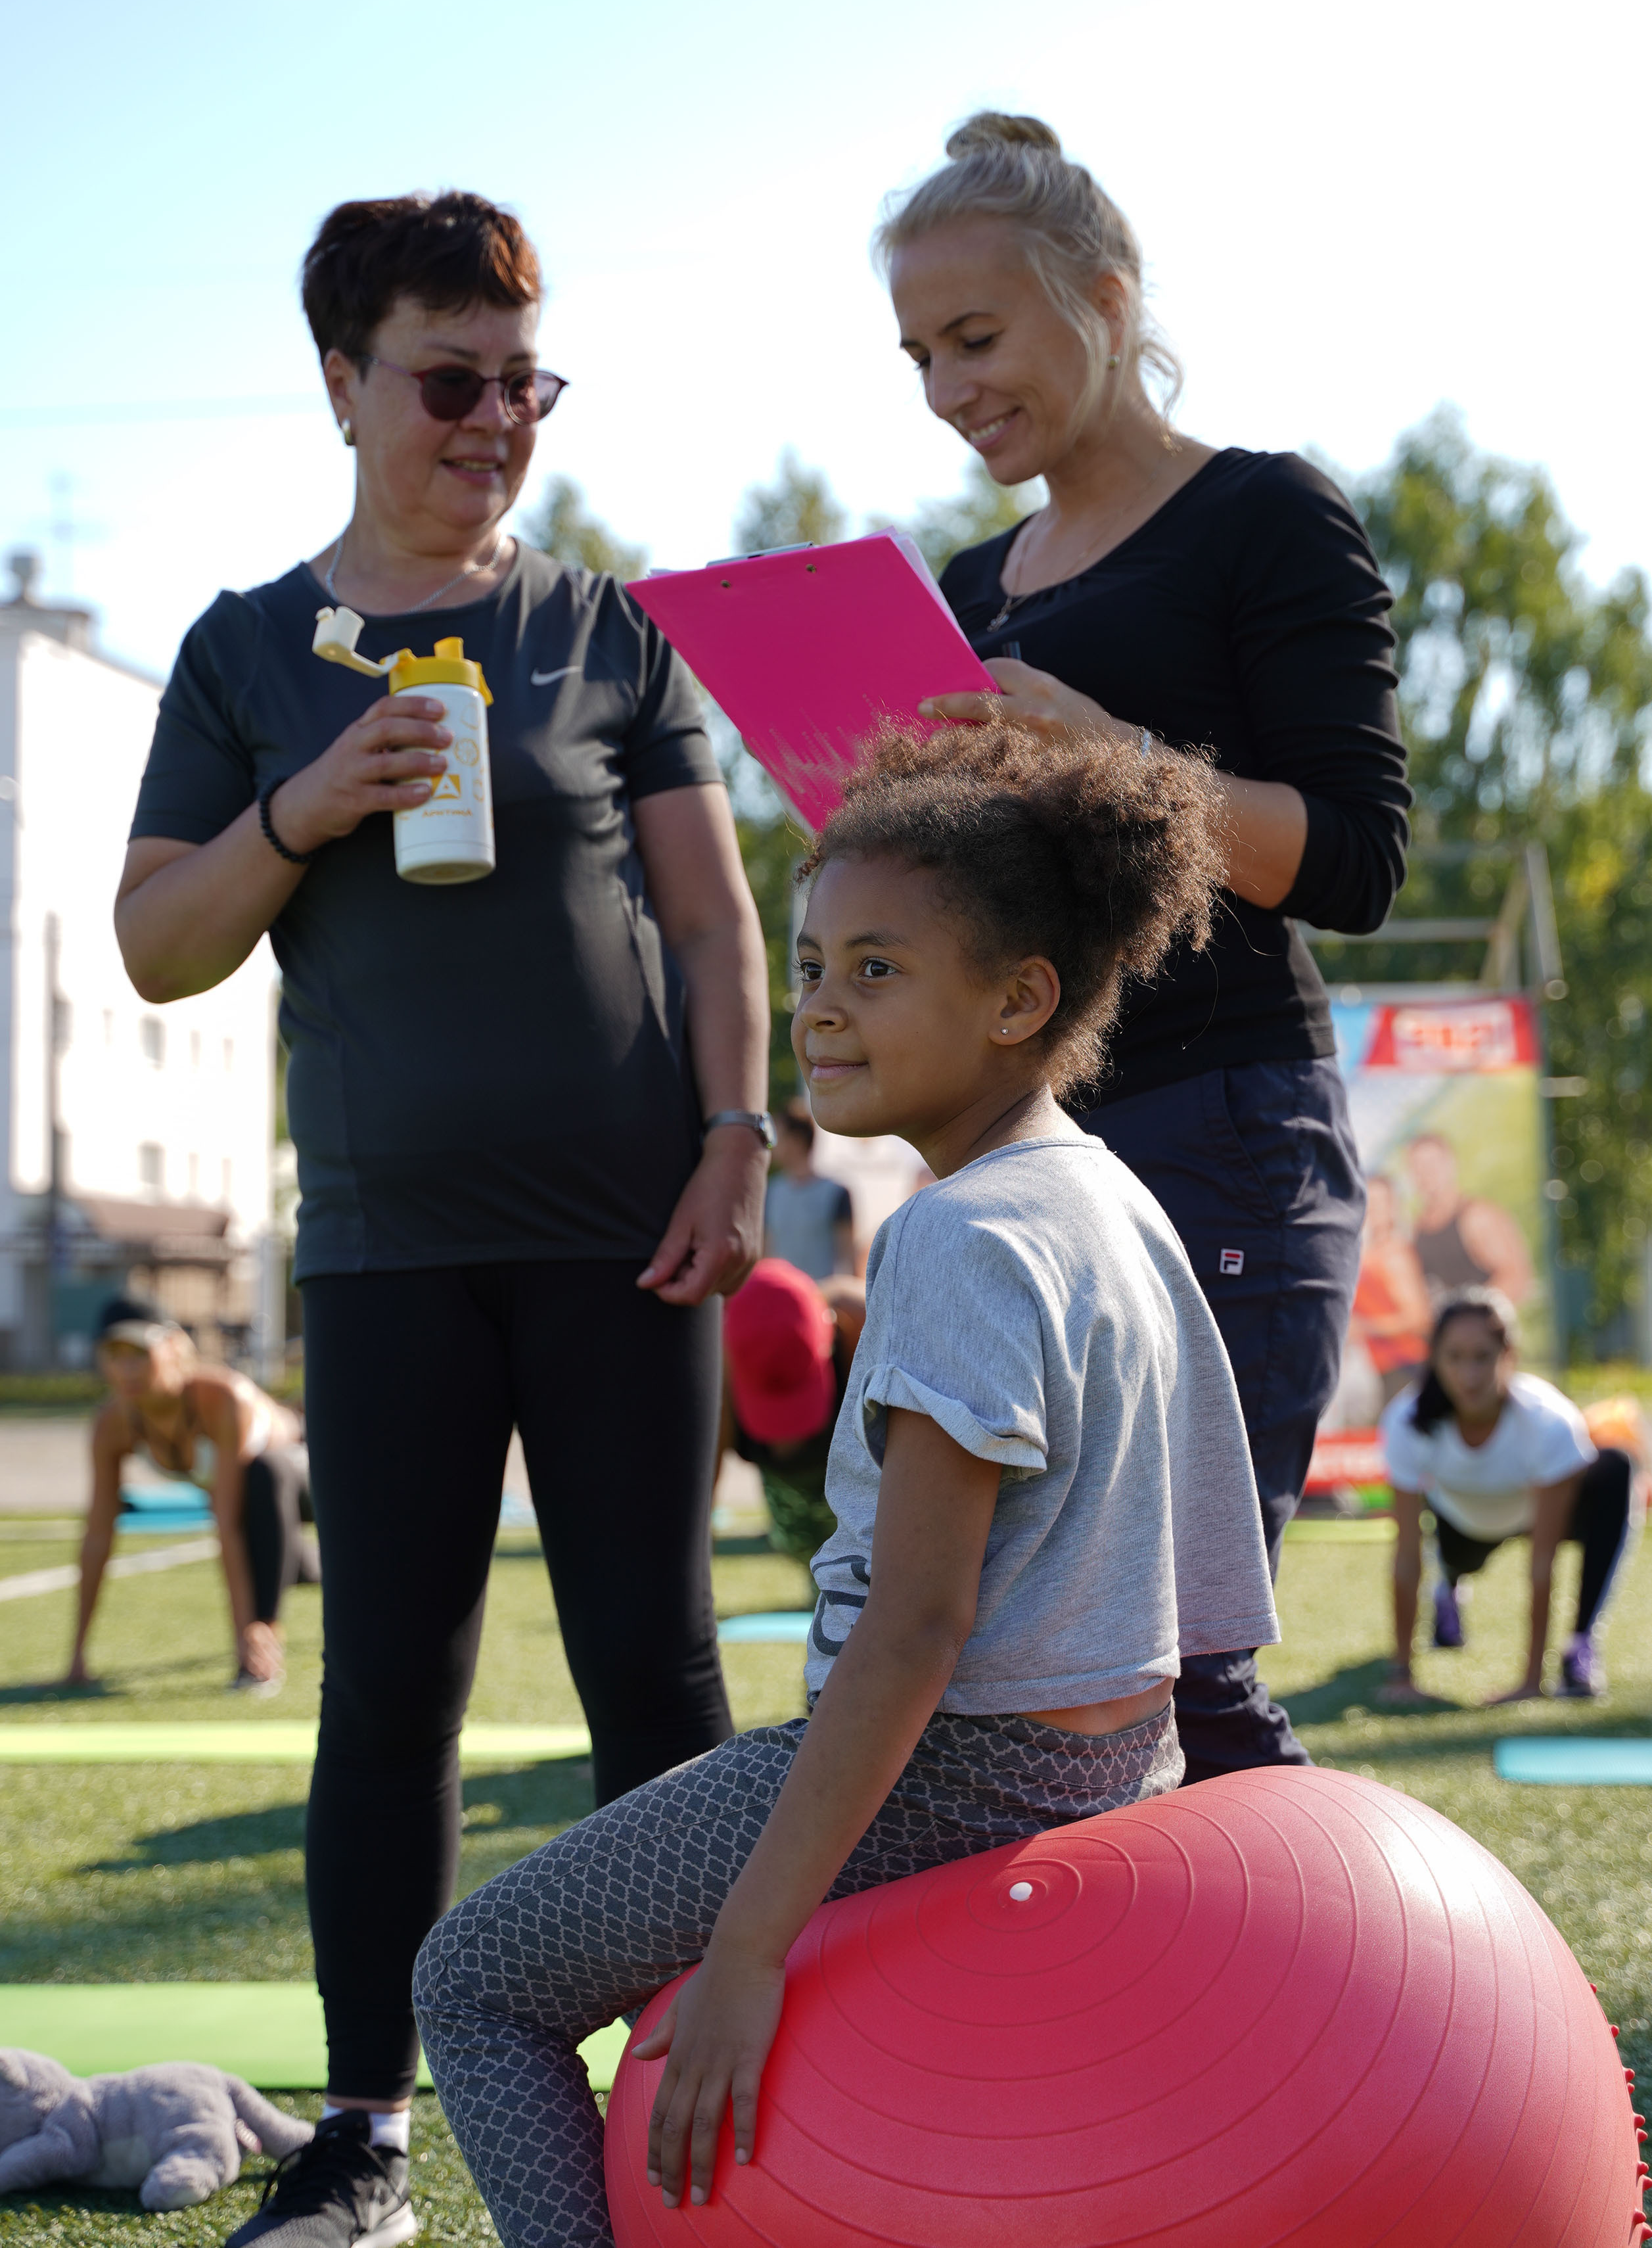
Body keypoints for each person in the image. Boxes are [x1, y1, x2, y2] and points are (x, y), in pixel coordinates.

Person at [112, 191, 771, 2248]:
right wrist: (301, 813)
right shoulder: (243, 651)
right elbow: (150, 946)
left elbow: (709, 911)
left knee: (655, 1678)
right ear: (341, 382)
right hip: (387, 1251)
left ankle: (712, 2110)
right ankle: (370, 2140)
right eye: (450, 380)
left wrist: (740, 1131)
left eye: (525, 380)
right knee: (384, 1686)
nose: (497, 419)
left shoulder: (608, 629)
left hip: (627, 1241)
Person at [413, 719, 1279, 2248]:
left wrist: (751, 1947)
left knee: (473, 1980)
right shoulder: (1110, 1193)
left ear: (1021, 997)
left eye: (875, 968)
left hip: (956, 1772)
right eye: (810, 965)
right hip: (1117, 1758)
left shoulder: (958, 1232)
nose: (818, 1008)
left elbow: (917, 1626)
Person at [880, 112, 1411, 1779]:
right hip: (1018, 1161)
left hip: (1227, 1126)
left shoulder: (1266, 516)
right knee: (1015, 1672)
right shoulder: (971, 584)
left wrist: (1110, 756)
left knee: (1181, 1672)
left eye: (977, 336)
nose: (948, 386)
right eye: (917, 354)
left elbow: (1356, 857)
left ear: (1104, 298)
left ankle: (1331, 2029)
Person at [1379, 1287, 1633, 1704]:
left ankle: (1579, 1646)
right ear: (1435, 1359)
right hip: (1459, 1525)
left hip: (1530, 1516)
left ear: (1508, 1355)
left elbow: (1541, 1563)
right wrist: (1402, 1676)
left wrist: (1531, 1682)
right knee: (1455, 1562)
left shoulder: (1549, 1421)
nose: (1469, 1376)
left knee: (1616, 1468)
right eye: (1455, 1358)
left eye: (1483, 1357)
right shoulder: (1407, 1423)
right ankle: (1449, 1589)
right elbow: (1406, 1557)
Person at [68, 1296, 312, 1693]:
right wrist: (77, 1657)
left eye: (139, 1353)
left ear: (174, 1347)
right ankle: (314, 1571)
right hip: (265, 1519)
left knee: (267, 1474)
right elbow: (98, 1535)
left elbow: (228, 1522)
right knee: (304, 1565)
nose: (127, 1368)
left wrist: (245, 1642)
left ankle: (264, 1648)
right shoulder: (113, 1423)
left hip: (313, 1474)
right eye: (113, 1354)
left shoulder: (221, 1398)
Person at [722, 1257, 865, 1557]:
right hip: (793, 1525)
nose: (787, 1442)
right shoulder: (721, 1370)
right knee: (804, 1550)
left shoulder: (863, 1322)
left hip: (859, 1484)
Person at [1406, 1133, 1534, 1309]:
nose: (1426, 1173)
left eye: (1432, 1164)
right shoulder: (1418, 1231)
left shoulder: (1477, 1216)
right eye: (1418, 1167)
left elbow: (1516, 1277)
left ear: (1450, 1163)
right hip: (1445, 1332)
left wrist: (1472, 1319)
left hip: (1483, 1330)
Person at [1349, 1172, 1433, 1401]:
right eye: (1370, 1202)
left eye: (1381, 1202)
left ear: (1393, 1206)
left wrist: (1364, 1327)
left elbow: (1418, 1318)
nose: (1375, 1210)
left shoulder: (1395, 1254)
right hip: (1379, 1369)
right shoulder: (1367, 1251)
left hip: (1405, 1366)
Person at [762, 1098, 856, 1279]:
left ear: (796, 1140)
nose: (771, 1144)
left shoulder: (837, 1193)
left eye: (777, 1135)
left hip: (824, 1304)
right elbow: (767, 1257)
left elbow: (848, 1261)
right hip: (781, 1303)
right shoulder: (770, 1192)